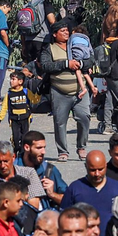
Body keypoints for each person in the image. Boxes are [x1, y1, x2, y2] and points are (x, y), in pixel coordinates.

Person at [40, 21, 93, 161]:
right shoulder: (49, 48)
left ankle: (81, 147)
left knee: (84, 118)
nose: (66, 33)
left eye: (67, 30)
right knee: (60, 122)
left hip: (79, 92)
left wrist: (81, 64)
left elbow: (90, 60)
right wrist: (66, 64)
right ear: (54, 34)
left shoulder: (77, 44)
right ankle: (63, 151)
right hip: (59, 91)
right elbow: (45, 65)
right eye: (62, 31)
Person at [61, 150, 118, 236]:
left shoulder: (116, 188)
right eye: (92, 170)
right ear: (86, 167)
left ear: (106, 166)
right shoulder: (75, 188)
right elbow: (64, 218)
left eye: (100, 169)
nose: (97, 174)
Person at [0, 141, 46, 210]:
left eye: (6, 161)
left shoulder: (28, 173)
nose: (2, 166)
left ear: (13, 157)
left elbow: (33, 208)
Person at [0, 70, 36, 153]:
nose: (11, 81)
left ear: (20, 81)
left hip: (25, 118)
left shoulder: (25, 92)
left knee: (24, 137)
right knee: (16, 137)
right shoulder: (9, 94)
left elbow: (34, 100)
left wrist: (38, 93)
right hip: (14, 119)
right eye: (11, 79)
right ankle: (16, 149)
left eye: (13, 79)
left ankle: (22, 153)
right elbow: (4, 107)